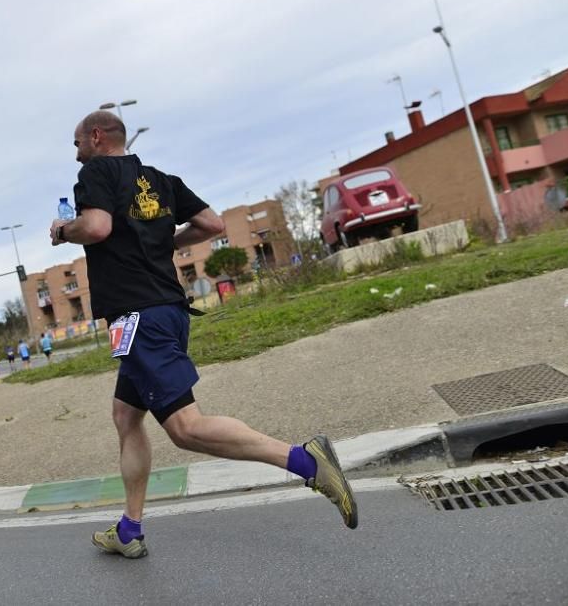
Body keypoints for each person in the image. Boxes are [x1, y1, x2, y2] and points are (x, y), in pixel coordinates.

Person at [50, 110, 357, 559]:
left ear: (97, 137)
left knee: (185, 429)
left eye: (77, 142)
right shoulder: (162, 179)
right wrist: (164, 242)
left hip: (139, 318)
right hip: (167, 312)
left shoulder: (95, 172)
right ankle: (130, 529)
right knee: (125, 415)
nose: (75, 152)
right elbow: (212, 224)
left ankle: (306, 461)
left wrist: (63, 231)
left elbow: (96, 227)